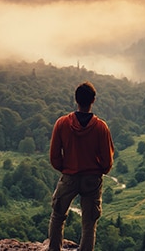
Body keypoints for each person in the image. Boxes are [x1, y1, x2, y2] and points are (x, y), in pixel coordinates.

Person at [47, 81, 114, 251]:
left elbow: (54, 156)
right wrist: (99, 171)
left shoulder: (62, 124)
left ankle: (54, 249)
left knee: (57, 216)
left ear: (76, 99)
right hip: (92, 179)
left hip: (69, 177)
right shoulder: (101, 127)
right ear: (93, 100)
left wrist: (66, 169)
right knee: (89, 222)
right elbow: (107, 160)